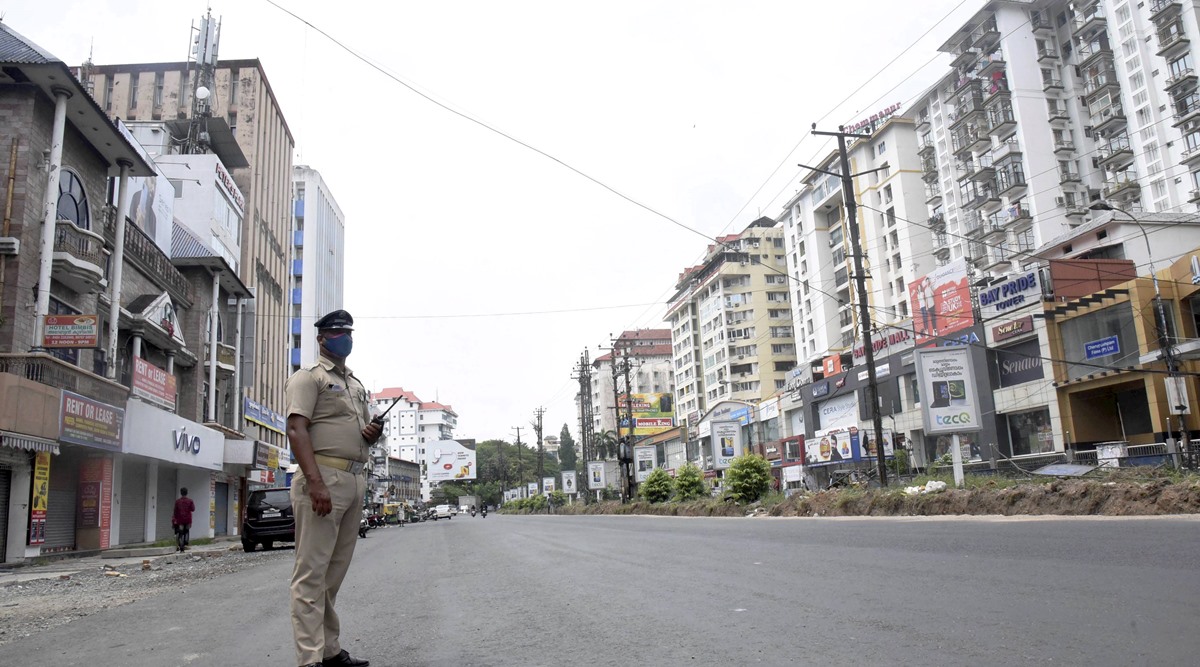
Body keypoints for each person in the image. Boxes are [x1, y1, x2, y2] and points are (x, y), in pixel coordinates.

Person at [285, 309, 381, 667]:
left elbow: (354, 431)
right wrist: (315, 483)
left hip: (354, 479)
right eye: (339, 331)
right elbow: (296, 430)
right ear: (322, 338)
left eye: (349, 331)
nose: (346, 337)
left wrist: (372, 434)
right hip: (323, 479)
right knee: (310, 574)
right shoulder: (308, 379)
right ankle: (310, 660)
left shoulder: (355, 384)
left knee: (332, 574)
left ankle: (329, 650)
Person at [171, 488, 195, 552]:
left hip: (180, 520)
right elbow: (193, 509)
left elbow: (175, 511)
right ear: (187, 493)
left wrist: (174, 520)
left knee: (180, 533)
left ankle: (181, 547)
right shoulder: (190, 501)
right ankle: (185, 543)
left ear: (181, 493)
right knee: (186, 531)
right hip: (188, 519)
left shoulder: (177, 501)